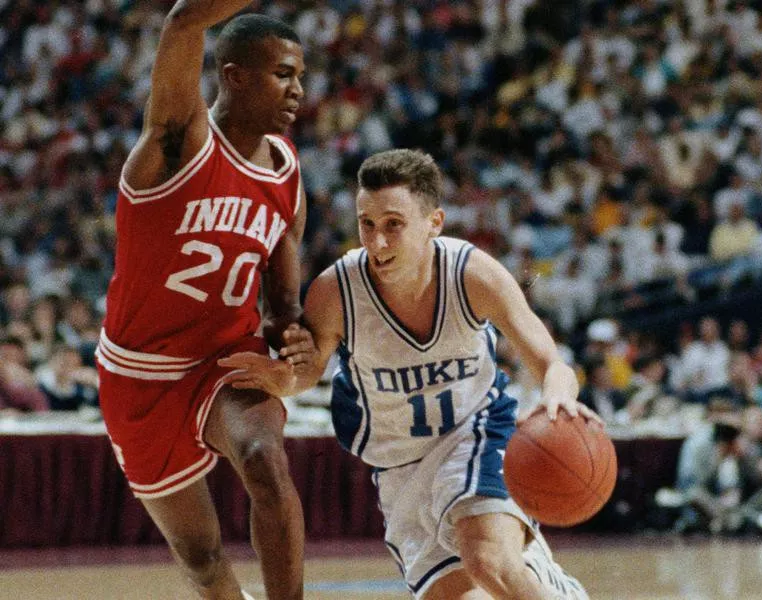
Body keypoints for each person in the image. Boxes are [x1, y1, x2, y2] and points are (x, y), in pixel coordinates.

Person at [220, 149, 598, 599]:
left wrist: (559, 397)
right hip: (398, 466)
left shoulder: (474, 275)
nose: (376, 242)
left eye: (393, 225)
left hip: (474, 434)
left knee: (488, 560)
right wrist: (282, 379)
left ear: (433, 222)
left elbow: (552, 364)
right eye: (367, 225)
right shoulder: (336, 291)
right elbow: (305, 375)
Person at [96, 4, 307, 599]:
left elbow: (283, 307)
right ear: (235, 75)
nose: (298, 91)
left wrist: (298, 342)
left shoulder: (288, 177)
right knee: (199, 553)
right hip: (140, 374)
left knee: (265, 459)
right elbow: (185, 20)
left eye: (301, 77)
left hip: (225, 360)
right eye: (283, 74)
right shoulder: (176, 143)